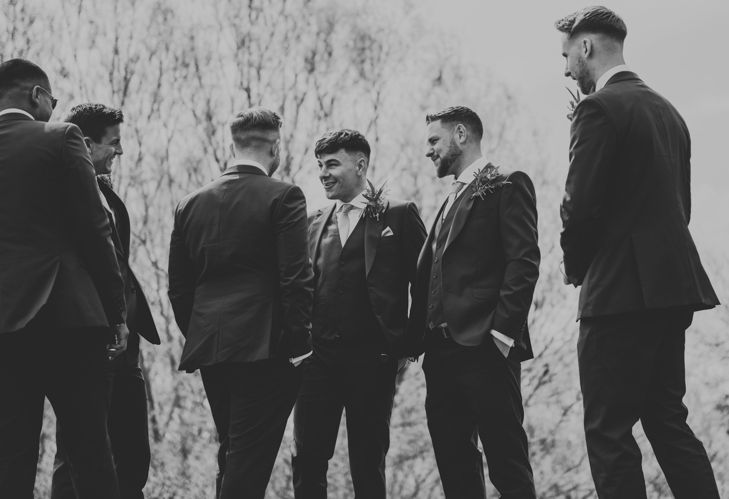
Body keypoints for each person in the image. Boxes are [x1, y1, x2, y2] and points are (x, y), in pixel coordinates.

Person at [556, 5, 720, 498]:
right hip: (672, 292)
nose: (566, 69)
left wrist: (577, 268)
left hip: (618, 295)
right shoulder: (670, 112)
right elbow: (681, 208)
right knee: (668, 421)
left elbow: (578, 206)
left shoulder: (598, 109)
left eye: (566, 55)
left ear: (586, 47)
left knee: (608, 431)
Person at [168, 108, 314, 499]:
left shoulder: (190, 203)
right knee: (249, 461)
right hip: (266, 350)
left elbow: (178, 289)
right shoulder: (284, 196)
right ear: (276, 146)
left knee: (232, 453)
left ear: (232, 144)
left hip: (212, 348)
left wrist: (204, 331)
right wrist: (299, 346)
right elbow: (296, 279)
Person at [0, 59, 127, 498]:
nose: (54, 108)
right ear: (36, 95)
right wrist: (117, 312)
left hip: (4, 327)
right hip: (70, 317)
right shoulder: (61, 137)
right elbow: (96, 230)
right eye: (52, 100)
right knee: (89, 449)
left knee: (11, 454)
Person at [408, 105, 539, 499]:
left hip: (486, 348)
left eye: (434, 140)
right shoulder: (449, 199)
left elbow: (524, 261)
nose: (428, 151)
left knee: (507, 464)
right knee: (455, 467)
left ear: (461, 134)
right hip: (441, 355)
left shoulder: (506, 184)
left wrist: (501, 335)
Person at [292, 129, 426, 498]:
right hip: (317, 362)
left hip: (373, 361)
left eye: (332, 163)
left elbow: (426, 282)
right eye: (319, 165)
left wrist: (407, 346)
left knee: (367, 463)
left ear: (361, 164)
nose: (323, 173)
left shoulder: (399, 215)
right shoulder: (313, 220)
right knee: (307, 460)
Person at [52, 103, 160, 499]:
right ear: (84, 142)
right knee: (79, 454)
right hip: (91, 336)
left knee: (131, 452)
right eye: (113, 143)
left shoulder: (100, 190)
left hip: (121, 340)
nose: (120, 151)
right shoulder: (65, 191)